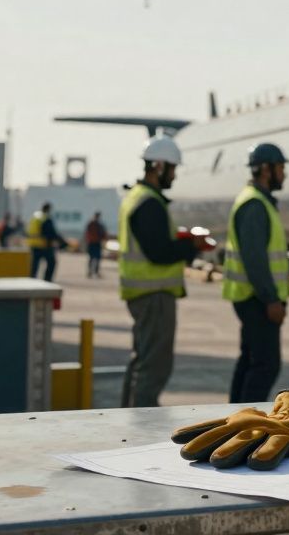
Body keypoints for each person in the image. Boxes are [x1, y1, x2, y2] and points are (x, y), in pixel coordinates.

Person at [118, 134, 204, 407]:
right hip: (153, 295)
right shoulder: (149, 203)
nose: (174, 175)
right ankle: (142, 422)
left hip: (141, 293)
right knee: (154, 366)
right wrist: (192, 246)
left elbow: (152, 244)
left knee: (142, 360)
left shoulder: (137, 198)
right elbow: (159, 253)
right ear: (158, 166)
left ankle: (130, 415)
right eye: (173, 168)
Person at [223, 143, 289, 403]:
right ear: (266, 170)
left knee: (250, 360)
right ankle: (247, 423)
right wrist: (271, 298)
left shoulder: (257, 202)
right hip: (256, 299)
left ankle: (235, 417)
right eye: (281, 168)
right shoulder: (255, 205)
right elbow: (255, 259)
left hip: (252, 297)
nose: (284, 174)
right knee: (266, 365)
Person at [26, 202, 65, 281]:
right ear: (48, 209)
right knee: (52, 263)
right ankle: (47, 280)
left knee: (34, 264)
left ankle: (31, 280)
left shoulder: (35, 216)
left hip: (33, 244)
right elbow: (51, 233)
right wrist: (62, 242)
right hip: (43, 244)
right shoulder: (46, 218)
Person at [84, 211, 107, 278]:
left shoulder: (92, 223)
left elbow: (87, 233)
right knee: (96, 258)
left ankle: (91, 272)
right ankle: (94, 272)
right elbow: (103, 234)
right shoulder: (98, 224)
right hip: (95, 243)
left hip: (92, 243)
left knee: (93, 258)